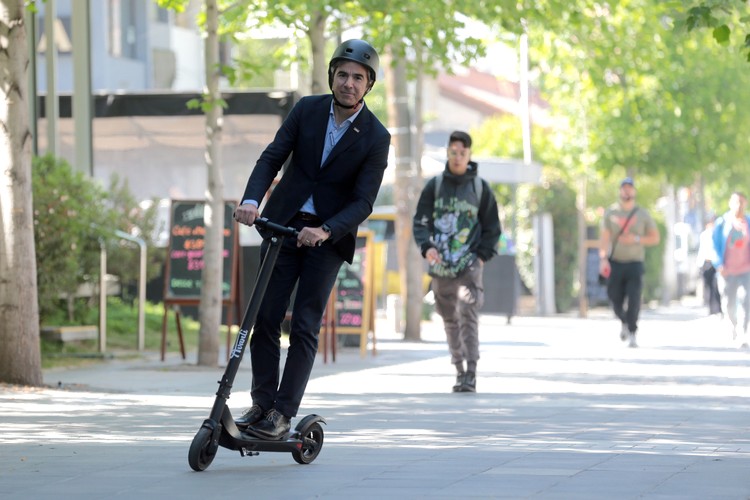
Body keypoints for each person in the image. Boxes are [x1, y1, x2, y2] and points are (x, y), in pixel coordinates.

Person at [232, 39, 390, 439]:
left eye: (358, 78)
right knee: (265, 317)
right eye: (343, 75)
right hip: (283, 226)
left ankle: (282, 414)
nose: (349, 83)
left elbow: (364, 201)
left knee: (304, 325)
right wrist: (251, 200)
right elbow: (272, 157)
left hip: (326, 239)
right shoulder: (307, 109)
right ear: (332, 76)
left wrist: (326, 230)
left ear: (369, 84)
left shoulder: (376, 135)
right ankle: (262, 404)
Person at [412, 131, 501, 393]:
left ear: (469, 155)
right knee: (449, 317)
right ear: (448, 153)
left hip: (469, 263)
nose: (458, 157)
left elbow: (492, 227)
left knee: (468, 312)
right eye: (454, 152)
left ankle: (471, 372)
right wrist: (427, 247)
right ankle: (459, 369)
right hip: (440, 265)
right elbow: (421, 221)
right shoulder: (435, 186)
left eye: (463, 153)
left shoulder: (480, 188)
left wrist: (481, 256)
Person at [598, 177, 660, 348]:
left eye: (629, 188)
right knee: (614, 298)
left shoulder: (642, 214)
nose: (627, 191)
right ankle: (624, 321)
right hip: (616, 262)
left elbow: (655, 238)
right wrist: (603, 259)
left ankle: (632, 331)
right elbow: (604, 238)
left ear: (634, 191)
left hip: (635, 263)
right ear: (620, 191)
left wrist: (636, 239)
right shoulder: (611, 213)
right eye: (624, 188)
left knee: (634, 298)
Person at [711, 192, 750, 348]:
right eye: (736, 202)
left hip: (746, 270)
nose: (739, 205)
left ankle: (743, 332)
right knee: (729, 303)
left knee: (746, 299)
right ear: (730, 203)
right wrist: (719, 264)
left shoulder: (748, 222)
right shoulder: (722, 223)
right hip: (727, 271)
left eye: (742, 202)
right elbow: (713, 245)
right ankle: (732, 326)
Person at [696, 217, 722, 317]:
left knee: (716, 286)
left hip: (715, 263)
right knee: (708, 286)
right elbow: (702, 250)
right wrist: (699, 263)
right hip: (706, 263)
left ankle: (717, 309)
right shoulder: (704, 235)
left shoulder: (717, 234)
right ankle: (710, 308)